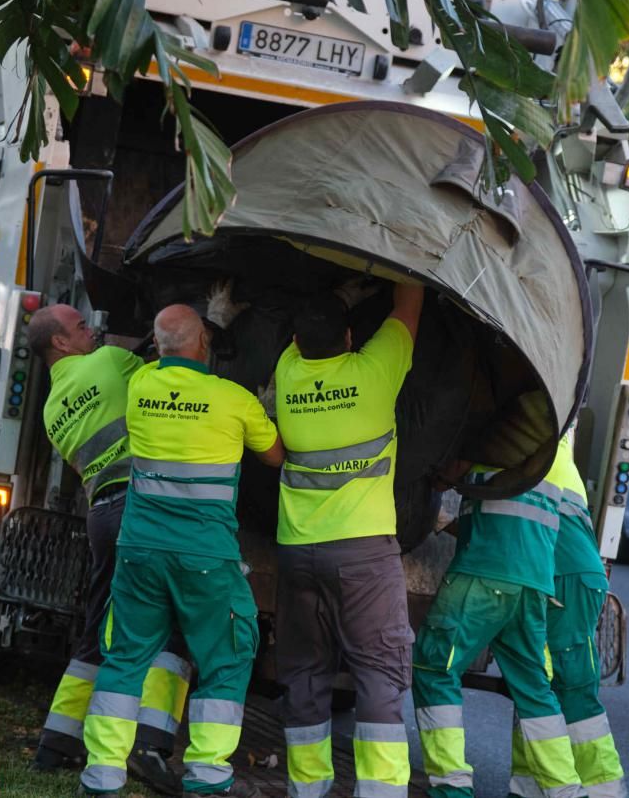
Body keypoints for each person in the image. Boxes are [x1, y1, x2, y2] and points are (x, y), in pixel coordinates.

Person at [81, 304, 284, 798]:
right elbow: (275, 456)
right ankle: (207, 775)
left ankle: (103, 776)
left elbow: (160, 356)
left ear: (158, 344)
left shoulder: (140, 387)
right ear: (203, 344)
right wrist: (267, 404)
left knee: (125, 656)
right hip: (205, 558)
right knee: (229, 655)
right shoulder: (233, 399)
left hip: (140, 551)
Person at [27, 304, 191, 794]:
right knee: (173, 620)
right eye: (80, 327)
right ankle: (150, 744)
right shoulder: (109, 362)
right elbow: (178, 377)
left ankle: (57, 741)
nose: (91, 330)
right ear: (59, 342)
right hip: (143, 506)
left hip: (101, 513)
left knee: (99, 625)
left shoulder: (52, 410)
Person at [272, 282, 424, 798]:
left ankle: (307, 789)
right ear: (352, 338)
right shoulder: (374, 373)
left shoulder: (288, 374)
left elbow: (309, 334)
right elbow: (410, 303)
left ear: (296, 339)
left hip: (297, 553)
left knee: (305, 674)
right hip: (363, 555)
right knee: (380, 673)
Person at [411, 439, 583, 798]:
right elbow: (505, 518)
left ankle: (451, 787)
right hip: (533, 581)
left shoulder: (499, 434)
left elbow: (449, 475)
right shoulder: (553, 450)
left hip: (483, 572)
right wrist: (445, 523)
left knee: (434, 666)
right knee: (534, 687)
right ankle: (566, 791)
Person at [509, 433, 626, 798]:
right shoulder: (552, 442)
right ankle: (528, 787)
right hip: (568, 574)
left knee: (571, 687)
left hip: (564, 575)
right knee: (539, 683)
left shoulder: (528, 446)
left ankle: (604, 792)